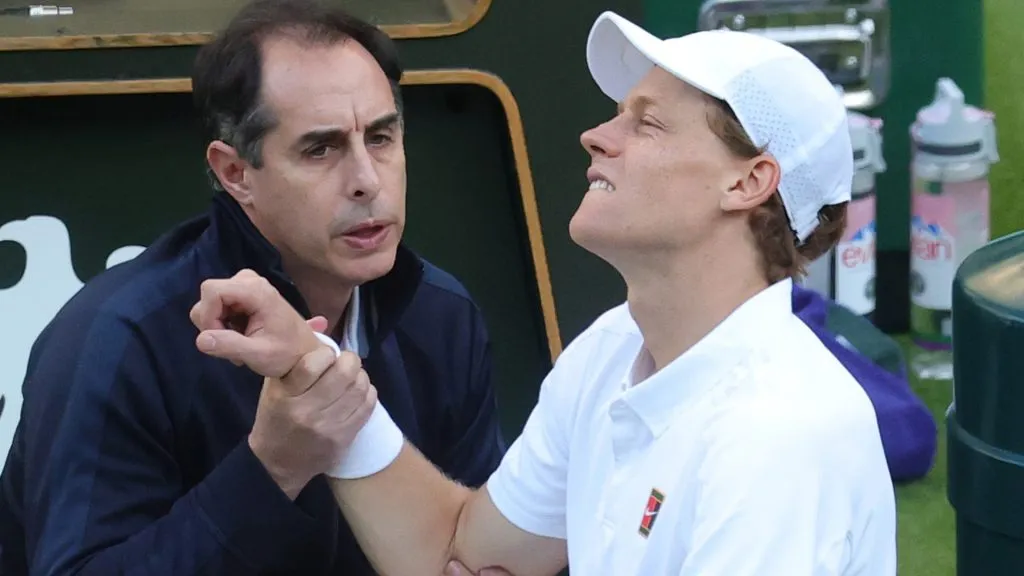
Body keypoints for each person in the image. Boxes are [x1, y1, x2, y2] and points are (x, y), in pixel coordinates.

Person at [191, 10, 898, 576]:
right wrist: (317, 371)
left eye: (645, 122)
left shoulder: (783, 438)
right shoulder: (612, 350)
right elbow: (460, 554)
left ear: (747, 183)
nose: (596, 136)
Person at [0, 0, 506, 574]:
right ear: (234, 172)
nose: (367, 180)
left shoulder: (442, 317)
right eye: (321, 148)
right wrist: (272, 467)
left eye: (383, 138)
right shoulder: (118, 338)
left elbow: (481, 552)